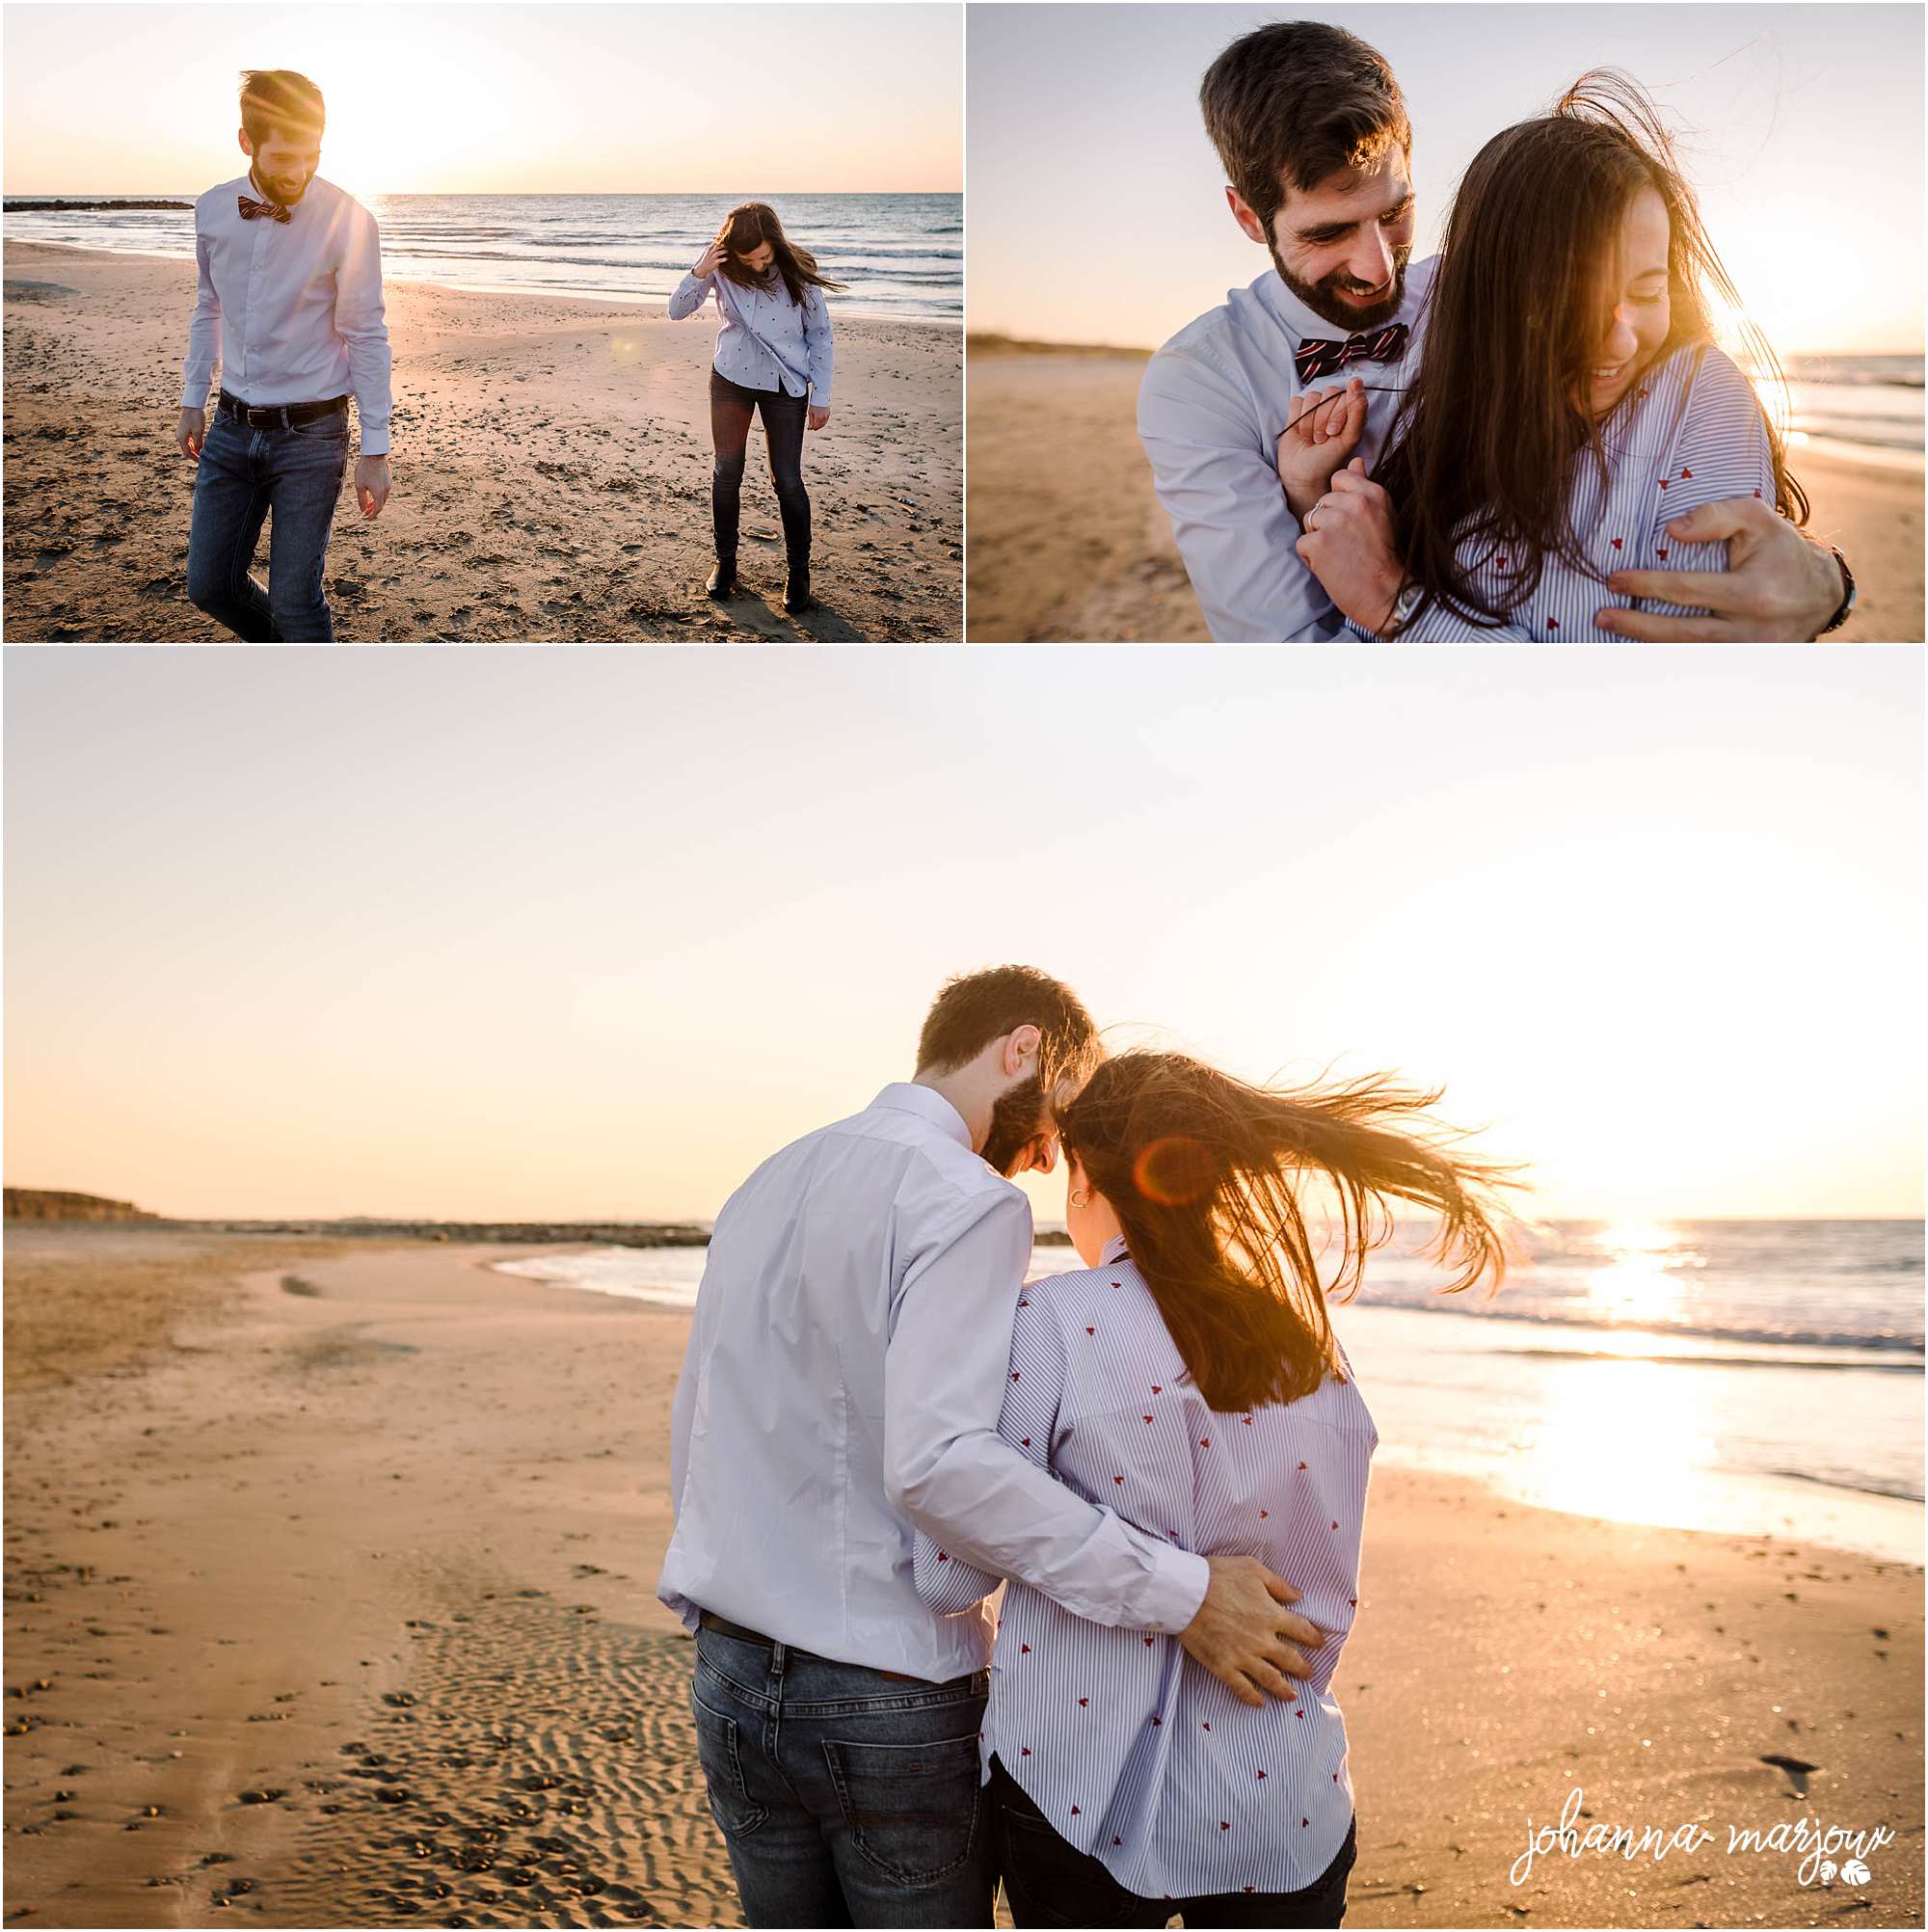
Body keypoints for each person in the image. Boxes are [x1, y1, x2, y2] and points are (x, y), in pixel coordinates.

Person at [657, 969, 1326, 1929]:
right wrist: (1180, 1595)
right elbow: (939, 1465)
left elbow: (699, 1418)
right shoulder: (965, 1199)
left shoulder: (766, 1177)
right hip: (881, 1693)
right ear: (1021, 1050)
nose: (1053, 1153)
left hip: (728, 1680)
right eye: (1058, 1112)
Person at [913, 1052, 1515, 1927]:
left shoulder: (1050, 1323)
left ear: (1086, 1181)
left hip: (1074, 1784)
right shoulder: (1311, 1347)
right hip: (1282, 1796)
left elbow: (949, 1576)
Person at [1137, 21, 1851, 644]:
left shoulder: (1501, 281)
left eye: (1393, 214)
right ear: (1246, 217)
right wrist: (1310, 508)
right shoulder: (1201, 379)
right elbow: (1294, 651)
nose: (1378, 266)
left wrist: (1829, 579)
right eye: (1328, 233)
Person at [177, 69, 391, 641]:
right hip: (228, 426)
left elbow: (367, 334)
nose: (298, 172)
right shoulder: (212, 210)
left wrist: (376, 448)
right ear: (246, 142)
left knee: (297, 602)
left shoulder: (351, 222)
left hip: (312, 436)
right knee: (210, 587)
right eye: (282, 157)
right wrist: (191, 400)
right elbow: (208, 307)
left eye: (312, 155)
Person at [668, 202, 838, 617]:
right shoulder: (722, 268)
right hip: (730, 380)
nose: (760, 265)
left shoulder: (797, 271)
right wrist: (700, 270)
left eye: (765, 255)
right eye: (750, 259)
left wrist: (821, 396)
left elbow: (821, 335)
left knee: (788, 479)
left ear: (776, 242)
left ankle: (798, 572)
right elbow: (676, 311)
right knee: (727, 471)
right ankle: (725, 563)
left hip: (786, 385)